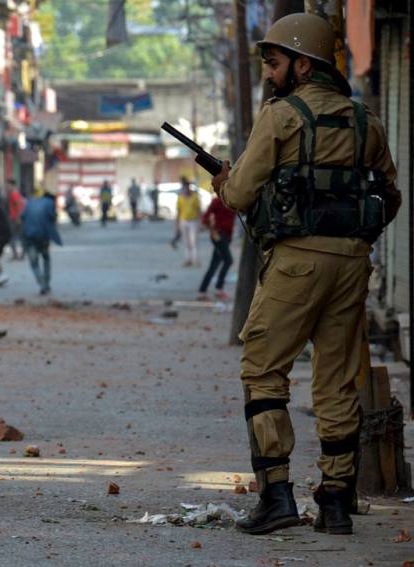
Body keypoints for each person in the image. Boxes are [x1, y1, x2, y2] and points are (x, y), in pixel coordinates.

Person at [212, 13, 400, 536]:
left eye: (274, 64)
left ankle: (276, 497)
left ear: (302, 62)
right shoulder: (365, 121)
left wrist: (224, 185)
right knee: (337, 380)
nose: (270, 74)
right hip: (352, 264)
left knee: (262, 369)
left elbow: (242, 194)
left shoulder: (282, 116)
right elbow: (390, 193)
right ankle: (337, 501)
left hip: (296, 263)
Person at [21, 186, 62, 295]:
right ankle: (46, 283)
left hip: (30, 236)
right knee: (46, 258)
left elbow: (22, 217)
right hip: (43, 235)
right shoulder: (49, 203)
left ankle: (42, 283)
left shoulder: (29, 202)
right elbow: (53, 217)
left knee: (34, 262)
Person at [197, 195, 236, 301]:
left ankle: (202, 291)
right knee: (228, 261)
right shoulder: (218, 201)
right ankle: (218, 288)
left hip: (227, 236)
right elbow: (205, 217)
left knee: (214, 264)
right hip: (219, 235)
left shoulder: (232, 200)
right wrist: (212, 231)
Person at [175, 177, 201, 266]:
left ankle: (195, 259)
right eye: (184, 187)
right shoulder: (180, 198)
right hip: (183, 221)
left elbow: (198, 210)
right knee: (186, 241)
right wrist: (177, 224)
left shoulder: (194, 197)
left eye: (187, 187)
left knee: (193, 241)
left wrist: (200, 222)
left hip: (193, 221)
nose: (186, 189)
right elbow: (178, 211)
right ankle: (188, 259)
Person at [5, 179, 26, 259]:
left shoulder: (14, 194)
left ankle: (17, 254)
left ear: (11, 185)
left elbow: (18, 205)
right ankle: (19, 254)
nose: (6, 187)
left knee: (12, 236)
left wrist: (18, 217)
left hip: (15, 218)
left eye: (7, 185)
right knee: (19, 236)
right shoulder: (14, 193)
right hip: (15, 217)